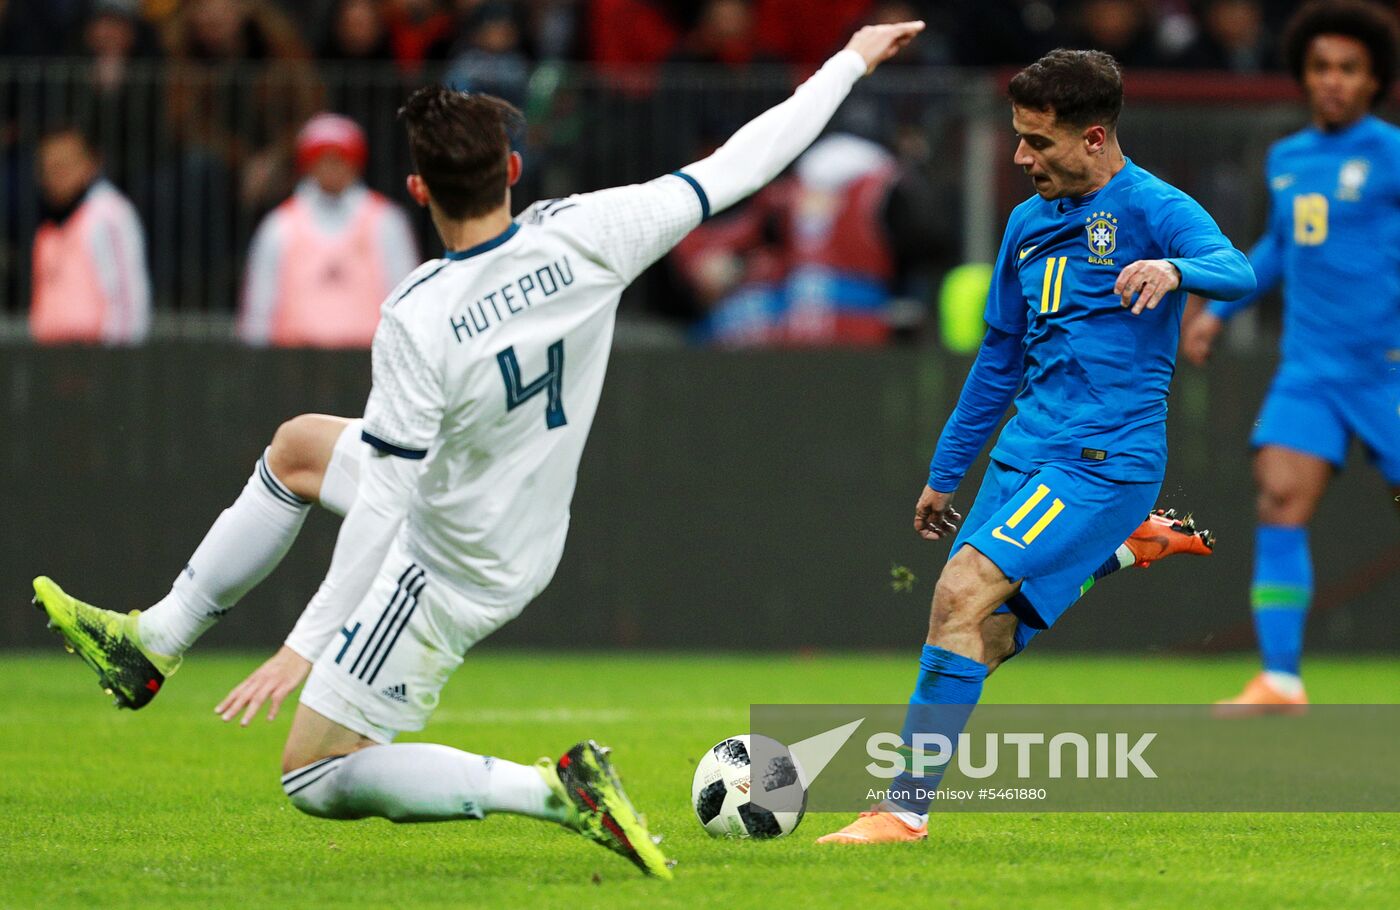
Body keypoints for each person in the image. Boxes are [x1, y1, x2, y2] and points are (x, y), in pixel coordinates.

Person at [33, 20, 930, 879]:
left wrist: (307, 643)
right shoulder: (589, 233)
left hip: (451, 559)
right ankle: (154, 640)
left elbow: (387, 501)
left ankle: (552, 789)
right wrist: (848, 60)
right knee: (302, 447)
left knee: (312, 775)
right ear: (510, 169)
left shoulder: (420, 317)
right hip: (512, 520)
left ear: (417, 191)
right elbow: (745, 159)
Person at [816, 47, 1254, 845]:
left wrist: (1175, 270)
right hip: (1026, 451)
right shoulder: (1025, 223)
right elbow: (997, 360)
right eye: (1018, 137)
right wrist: (945, 473)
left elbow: (1239, 268)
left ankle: (901, 813)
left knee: (955, 595)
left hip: (1102, 457)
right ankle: (1122, 550)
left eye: (1038, 142)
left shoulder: (1154, 207)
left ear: (1094, 137)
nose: (1021, 157)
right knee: (978, 633)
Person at [1181, 0, 1400, 714]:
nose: (1332, 81)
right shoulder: (1287, 159)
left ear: (1375, 82)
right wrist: (1218, 309)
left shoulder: (1392, 155)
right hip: (1309, 369)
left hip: (1387, 368)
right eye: (1320, 68)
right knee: (1278, 497)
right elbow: (1278, 246)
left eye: (1348, 69)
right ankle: (1281, 677)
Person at [238, 114, 418, 348]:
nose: (332, 168)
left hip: (370, 364)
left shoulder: (386, 221)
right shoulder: (279, 225)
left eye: (341, 158)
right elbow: (259, 306)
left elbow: (407, 299)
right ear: (308, 164)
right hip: (292, 364)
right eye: (322, 158)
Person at [30, 127, 151, 345]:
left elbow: (127, 302)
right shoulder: (49, 225)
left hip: (95, 362)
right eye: (48, 168)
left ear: (91, 164)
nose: (55, 176)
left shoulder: (108, 214)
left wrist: (116, 367)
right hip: (52, 359)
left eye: (64, 166)